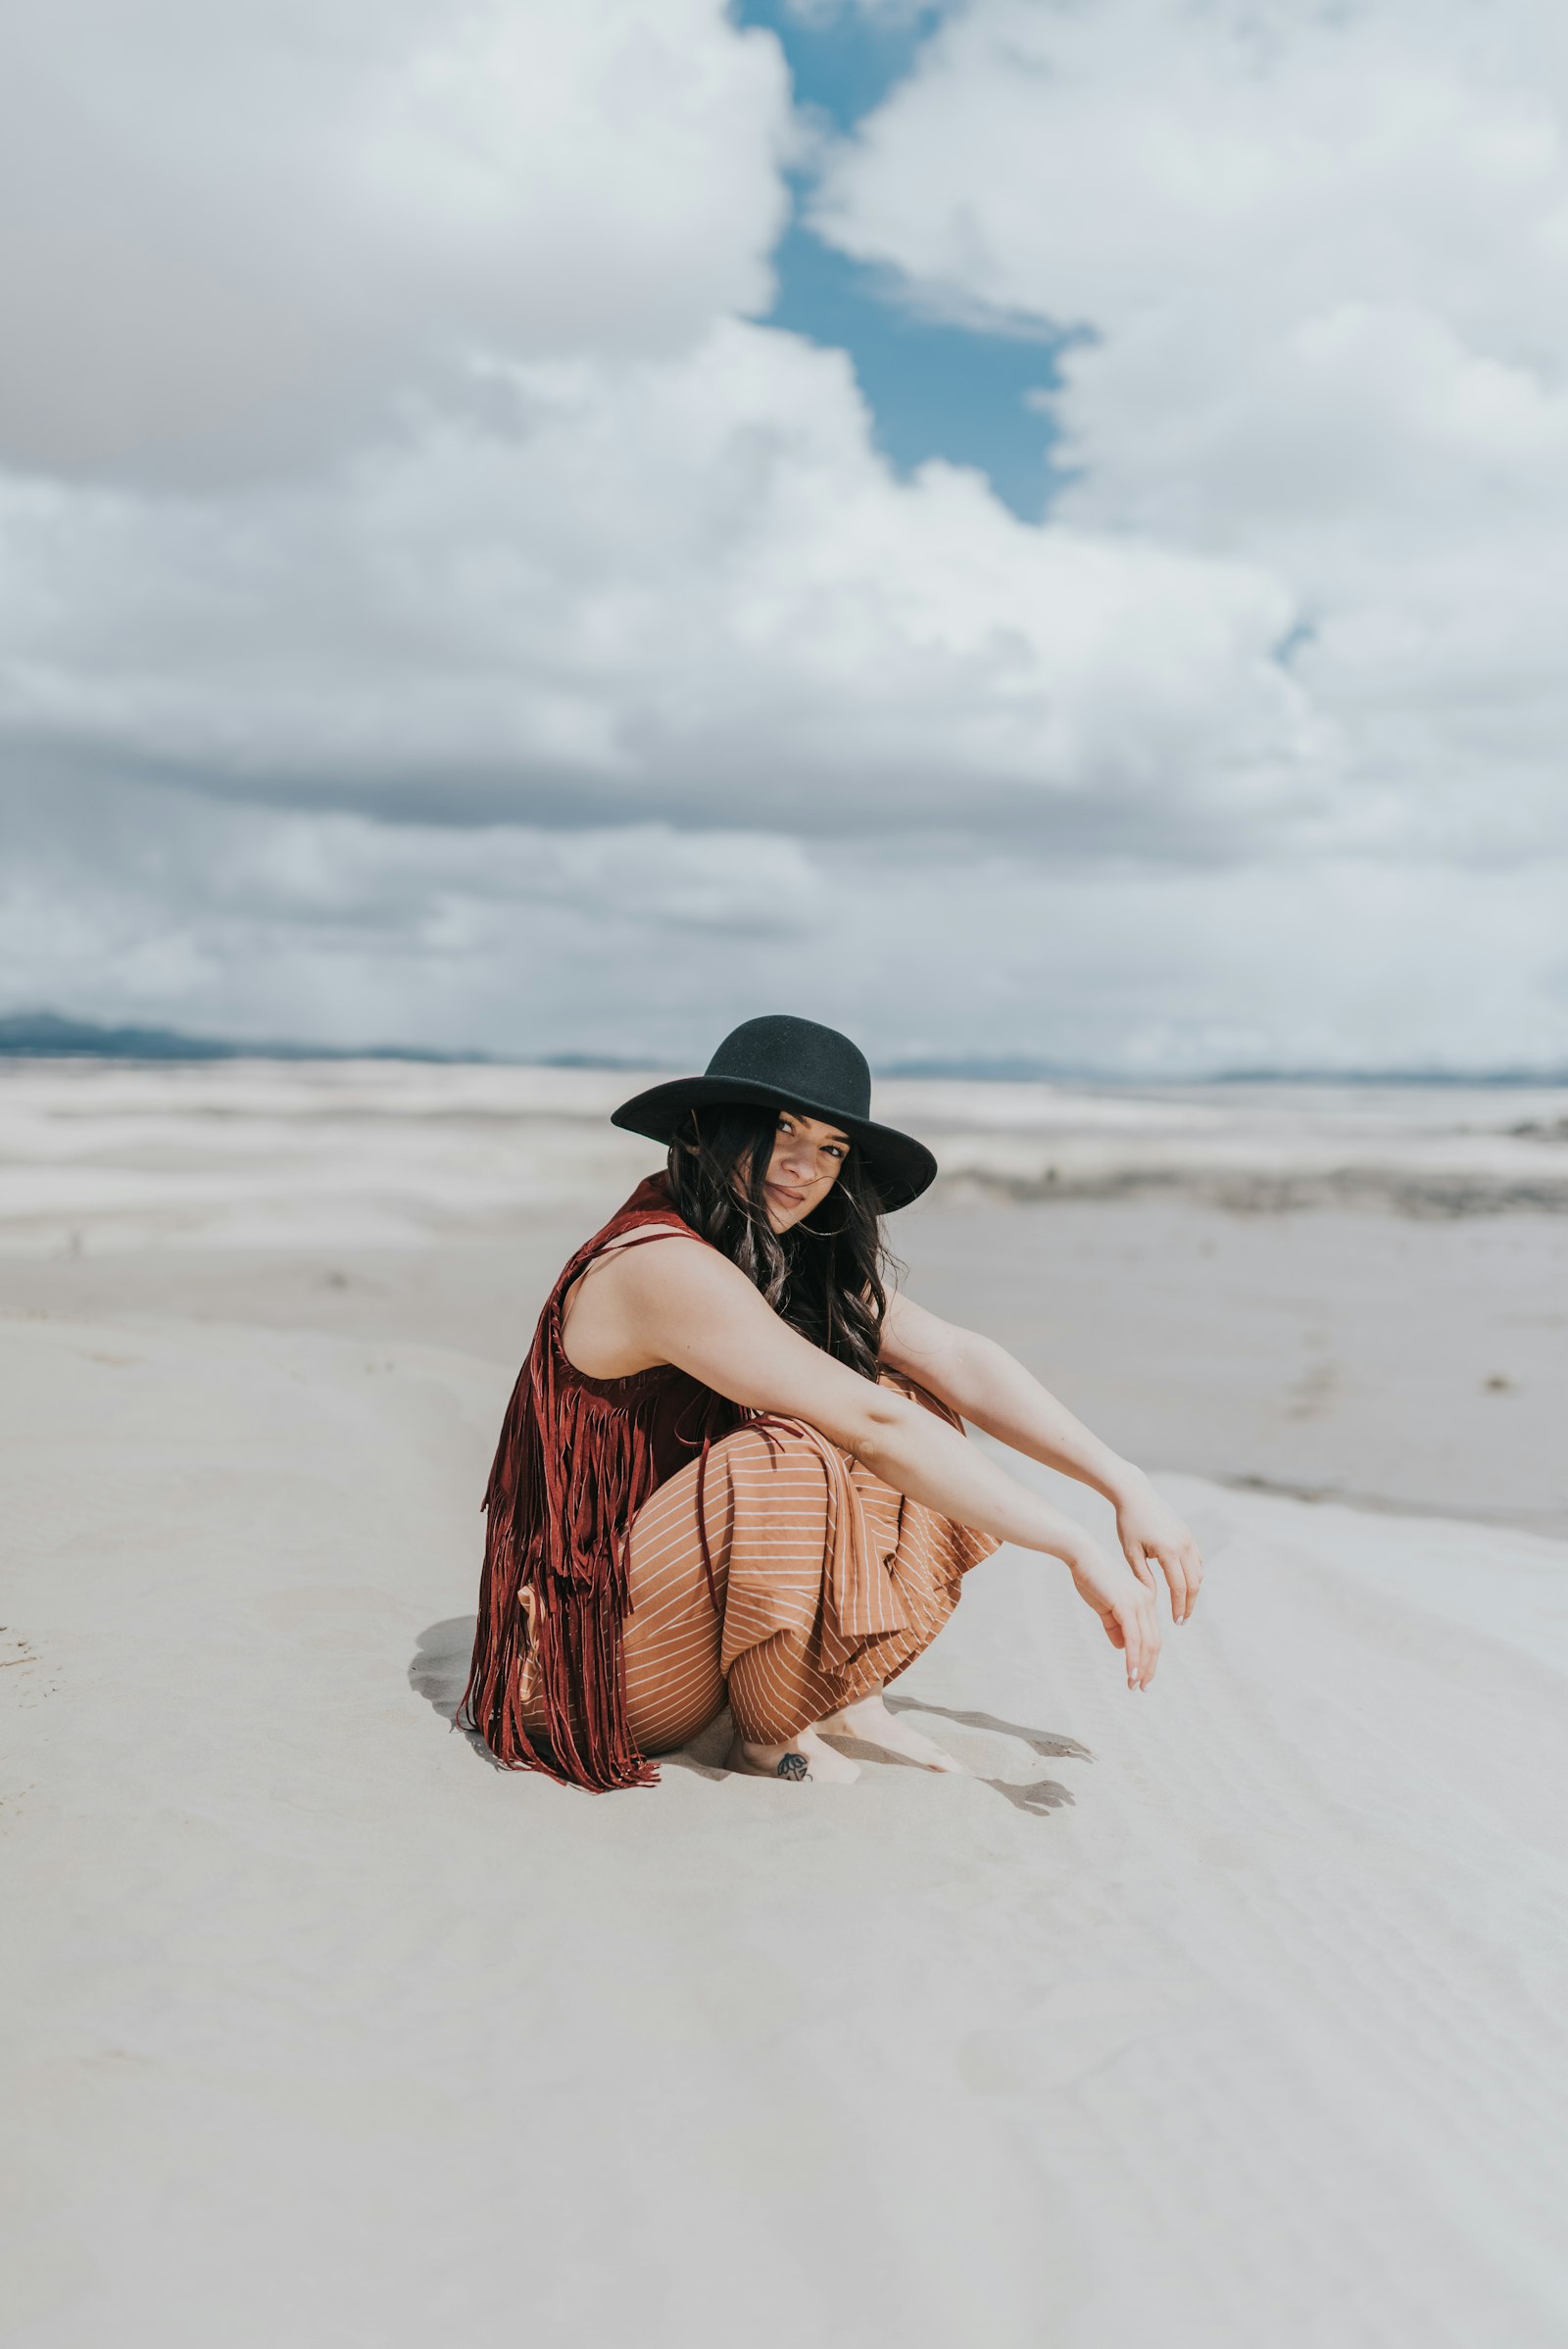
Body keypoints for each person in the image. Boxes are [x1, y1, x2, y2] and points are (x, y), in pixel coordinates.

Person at [461, 1014, 1202, 1791]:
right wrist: (1073, 1545)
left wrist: (1123, 1481)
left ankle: (844, 1697)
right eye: (783, 1129)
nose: (804, 1165)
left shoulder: (767, 1253)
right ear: (707, 1128)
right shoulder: (662, 1265)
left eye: (832, 1147)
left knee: (909, 1391)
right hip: (571, 1680)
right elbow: (874, 1431)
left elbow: (957, 1358)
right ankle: (769, 1740)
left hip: (654, 1623)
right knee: (790, 1452)